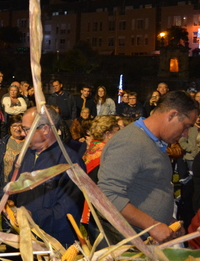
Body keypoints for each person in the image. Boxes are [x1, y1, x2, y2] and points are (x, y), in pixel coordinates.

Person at [98, 91, 197, 244]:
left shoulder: (154, 142)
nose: (185, 134)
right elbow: (107, 196)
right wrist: (153, 225)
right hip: (129, 244)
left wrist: (166, 220)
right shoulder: (131, 142)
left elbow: (147, 187)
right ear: (172, 115)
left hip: (144, 239)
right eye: (185, 127)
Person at [11, 106, 85, 247]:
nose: (22, 134)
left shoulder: (69, 162)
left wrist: (34, 216)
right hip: (23, 238)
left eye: (27, 129)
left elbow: (68, 210)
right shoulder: (24, 156)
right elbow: (12, 187)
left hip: (53, 243)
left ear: (45, 129)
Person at [0, 114, 26, 203]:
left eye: (20, 125)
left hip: (23, 186)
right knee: (6, 212)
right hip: (5, 184)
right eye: (15, 125)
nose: (18, 128)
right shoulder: (3, 143)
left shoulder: (30, 144)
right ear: (10, 128)